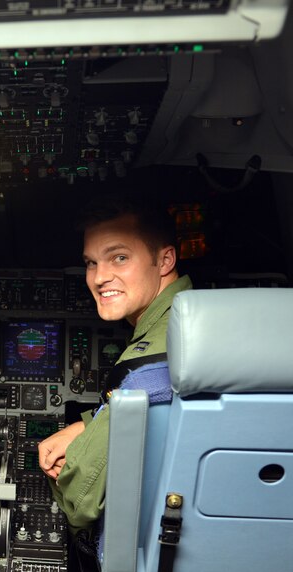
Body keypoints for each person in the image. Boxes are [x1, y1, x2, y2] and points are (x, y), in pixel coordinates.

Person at [37, 197, 192, 533]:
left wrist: (68, 467)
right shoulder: (191, 317)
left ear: (165, 259)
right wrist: (90, 425)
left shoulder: (147, 368)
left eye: (119, 258)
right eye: (91, 263)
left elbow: (80, 502)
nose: (99, 278)